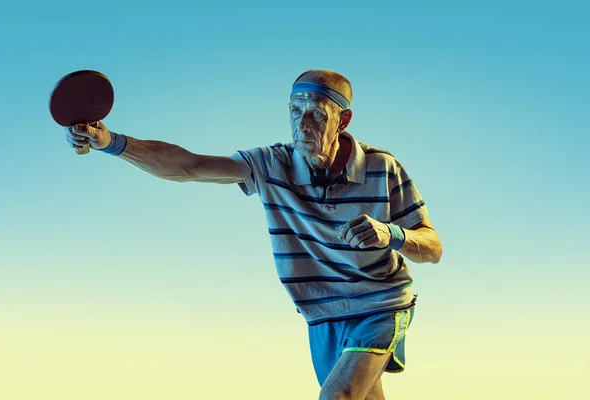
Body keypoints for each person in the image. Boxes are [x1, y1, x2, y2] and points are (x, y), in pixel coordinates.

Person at [66, 69, 443, 400]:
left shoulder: (383, 167)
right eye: (295, 112)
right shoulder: (271, 164)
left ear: (343, 121)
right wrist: (111, 142)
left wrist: (392, 234)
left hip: (380, 303)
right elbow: (190, 166)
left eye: (316, 113)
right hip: (321, 311)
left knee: (337, 396)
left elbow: (433, 247)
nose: (303, 124)